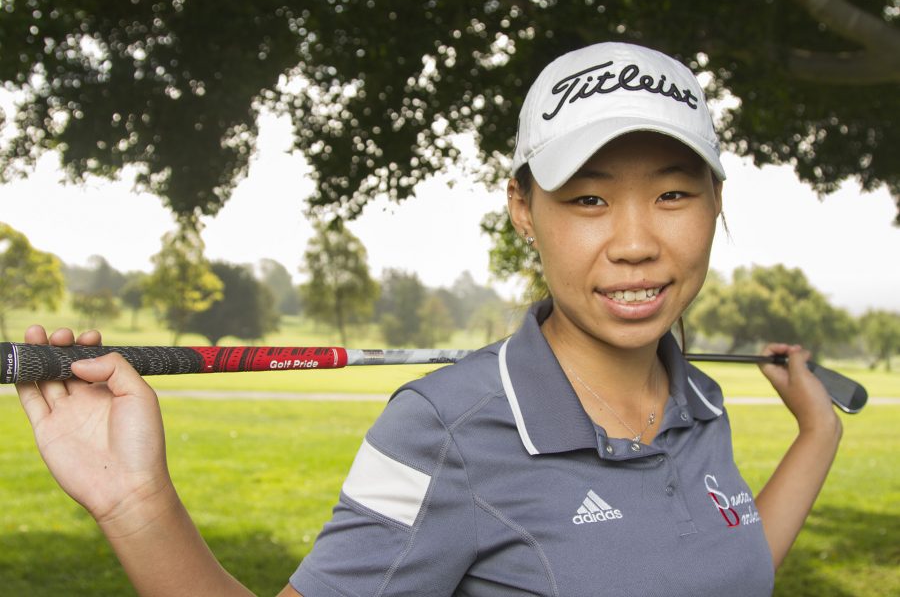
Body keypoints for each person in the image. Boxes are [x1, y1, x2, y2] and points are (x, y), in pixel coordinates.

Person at [16, 42, 842, 597]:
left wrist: (817, 434)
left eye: (672, 193)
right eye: (587, 198)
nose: (635, 243)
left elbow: (715, 573)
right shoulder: (445, 429)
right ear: (523, 210)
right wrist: (137, 504)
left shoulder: (697, 401)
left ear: (715, 204)